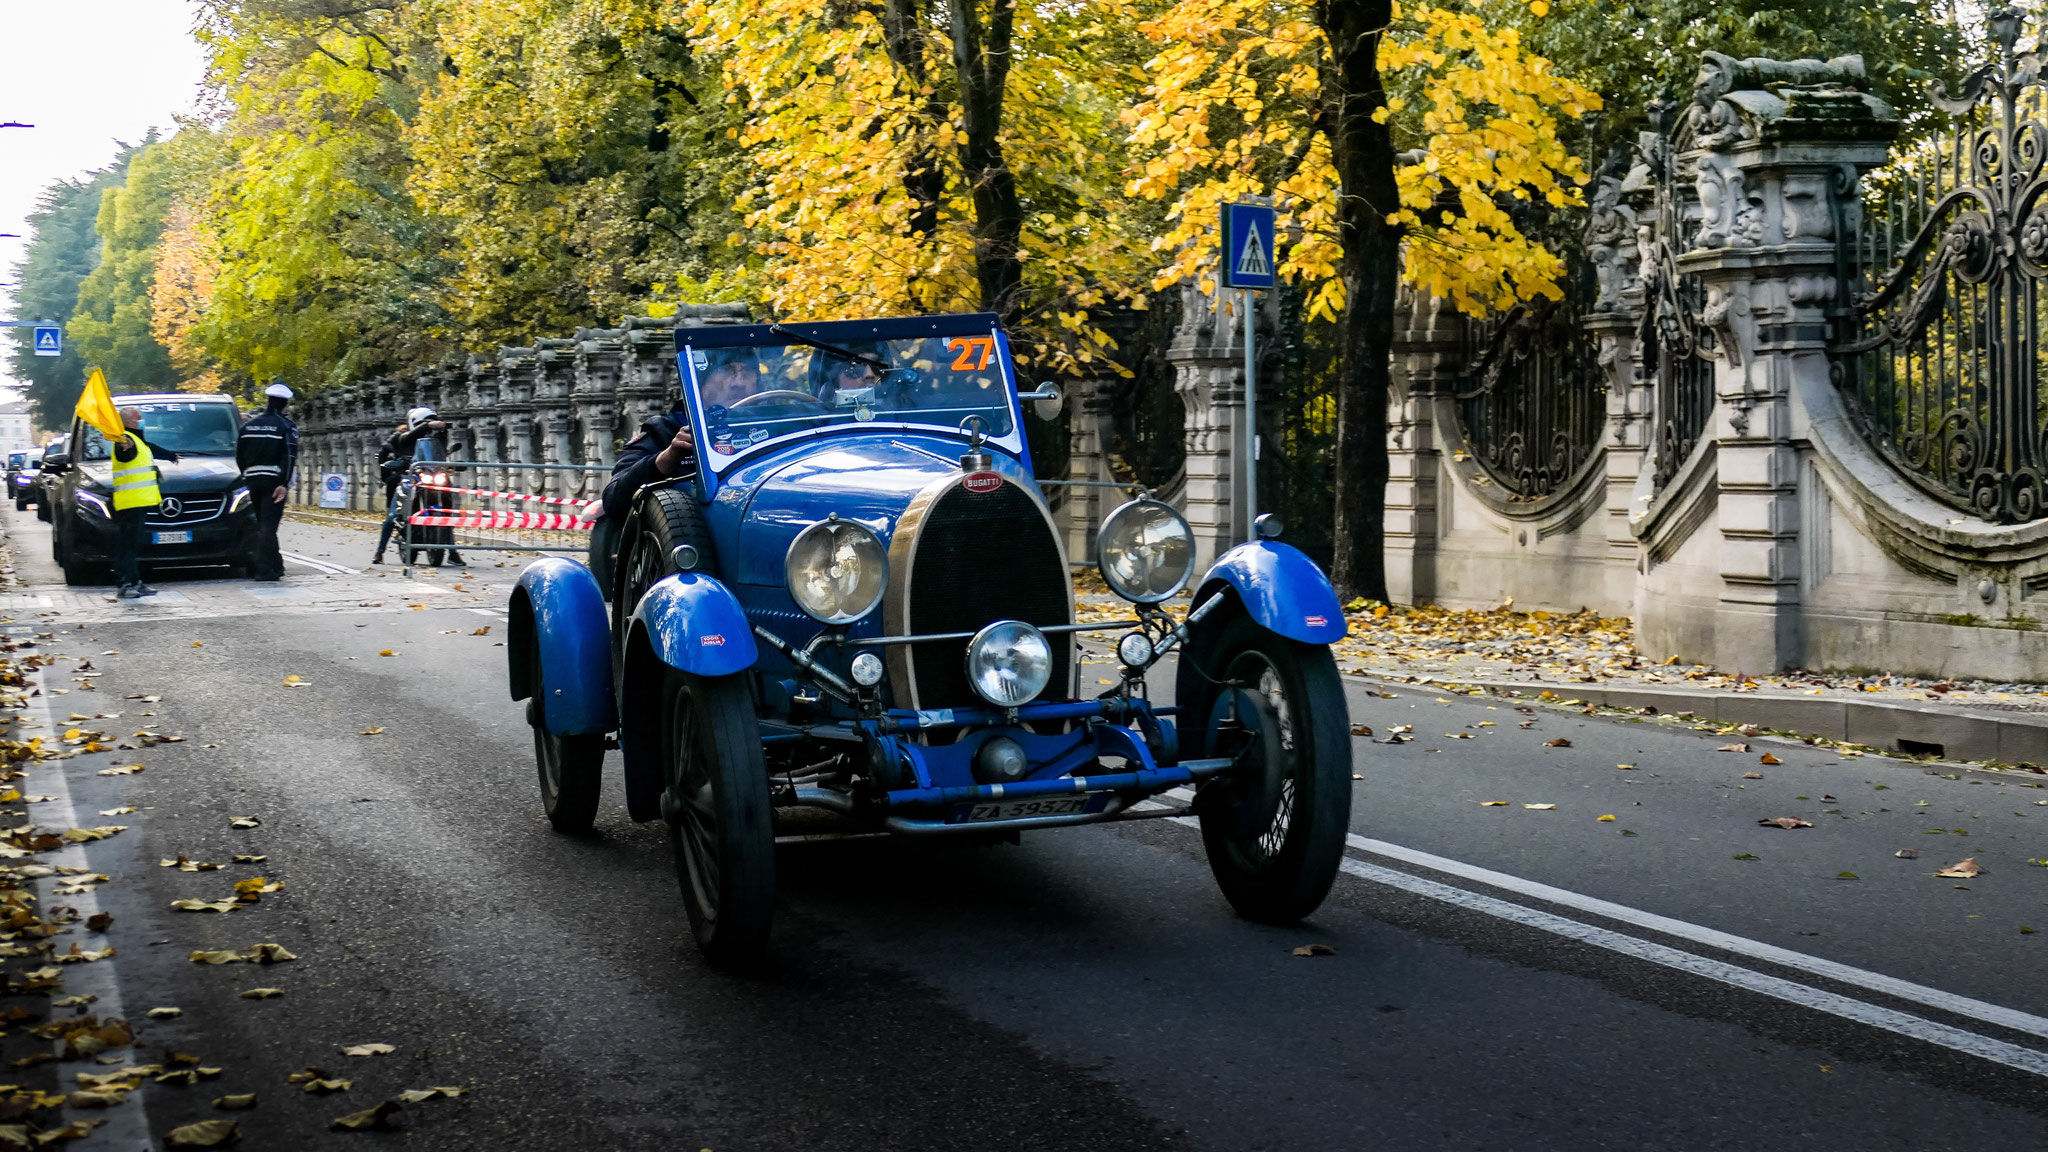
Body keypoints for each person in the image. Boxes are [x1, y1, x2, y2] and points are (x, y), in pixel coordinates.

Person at [601, 348, 762, 522]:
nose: (738, 382)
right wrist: (668, 457)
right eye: (727, 371)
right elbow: (614, 502)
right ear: (700, 383)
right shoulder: (664, 431)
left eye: (746, 372)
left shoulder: (780, 428)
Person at [372, 407, 465, 567]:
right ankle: (380, 552)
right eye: (425, 423)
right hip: (408, 476)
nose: (430, 426)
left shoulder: (434, 438)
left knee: (446, 514)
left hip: (431, 476)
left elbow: (441, 452)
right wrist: (394, 466)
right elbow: (404, 441)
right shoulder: (400, 437)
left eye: (431, 422)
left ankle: (452, 552)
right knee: (393, 515)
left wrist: (452, 465)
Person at [109, 406, 179, 600]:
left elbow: (150, 449)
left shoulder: (137, 440)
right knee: (127, 545)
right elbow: (124, 453)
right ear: (130, 421)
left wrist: (170, 455)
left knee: (132, 545)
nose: (141, 419)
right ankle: (125, 584)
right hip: (131, 502)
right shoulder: (125, 439)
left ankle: (135, 581)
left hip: (138, 501)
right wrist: (124, 446)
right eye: (138, 417)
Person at [235, 382, 299, 581]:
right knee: (269, 526)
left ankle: (276, 564)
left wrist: (246, 475)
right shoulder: (285, 426)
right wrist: (284, 483)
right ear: (285, 404)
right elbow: (289, 456)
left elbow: (239, 455)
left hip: (253, 480)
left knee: (263, 522)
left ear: (268, 401)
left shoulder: (248, 426)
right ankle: (263, 569)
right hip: (273, 481)